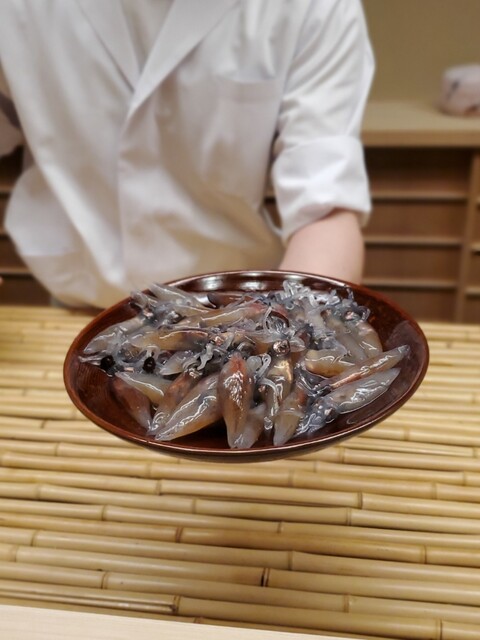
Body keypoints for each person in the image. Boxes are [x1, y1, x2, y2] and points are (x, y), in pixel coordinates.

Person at [0, 0, 374, 309]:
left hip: (241, 313)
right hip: (80, 310)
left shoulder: (314, 7)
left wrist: (288, 338)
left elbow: (324, 208)